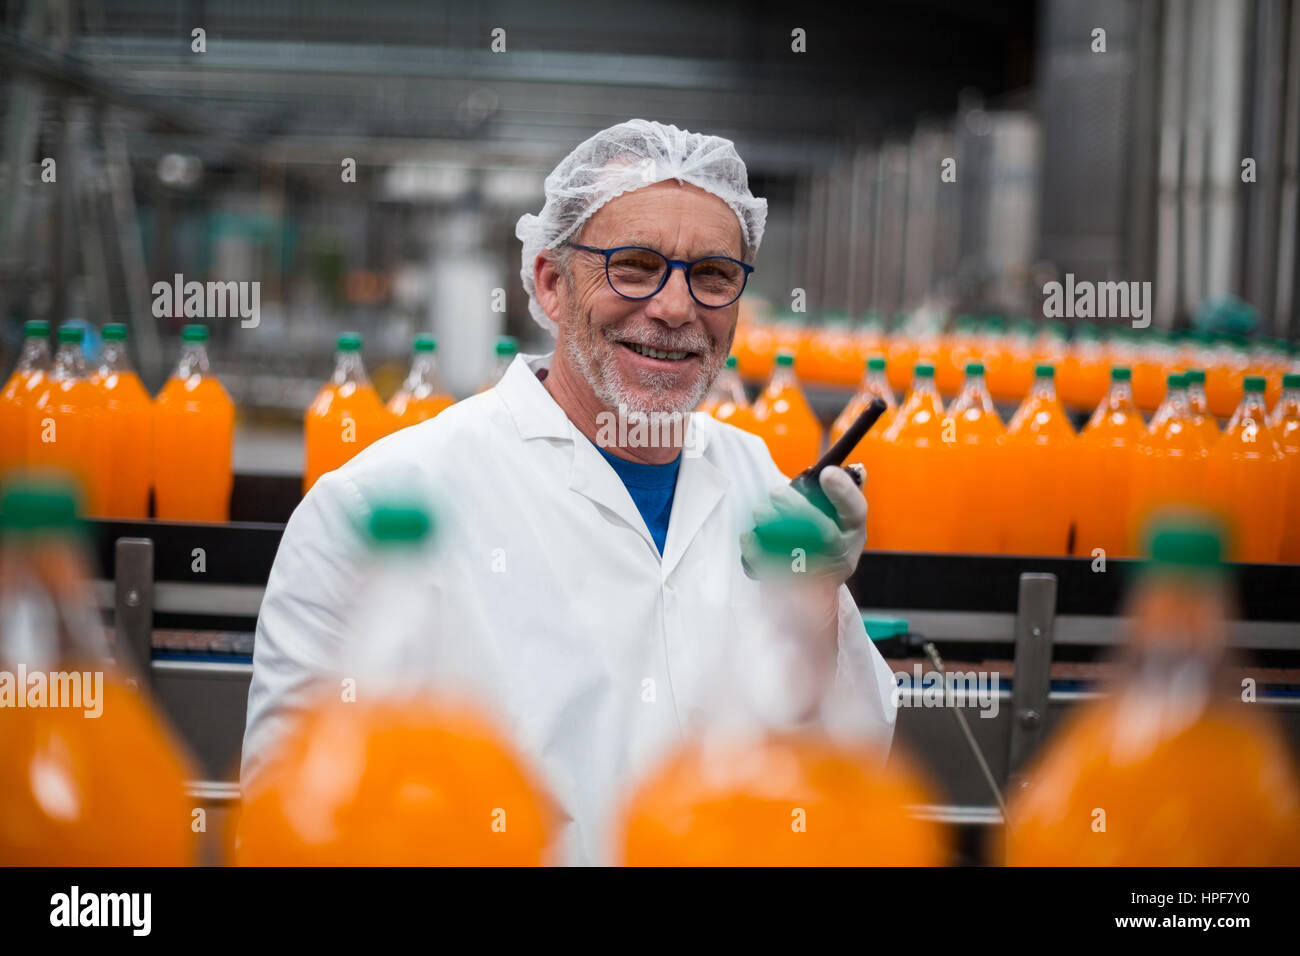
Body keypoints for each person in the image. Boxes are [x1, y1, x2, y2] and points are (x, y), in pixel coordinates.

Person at [241, 118, 897, 864]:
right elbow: (288, 820)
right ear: (552, 284)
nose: (677, 308)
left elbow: (846, 779)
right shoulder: (372, 506)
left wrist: (813, 597)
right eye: (635, 265)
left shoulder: (761, 484)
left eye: (713, 275)